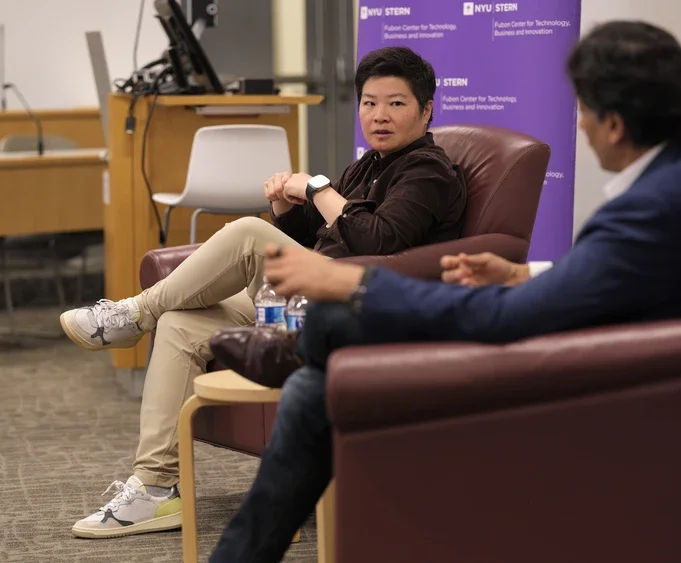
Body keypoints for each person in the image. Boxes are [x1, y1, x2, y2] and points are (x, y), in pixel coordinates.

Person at [206, 20, 681, 562]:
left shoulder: (653, 208)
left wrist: (355, 282)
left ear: (616, 123)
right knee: (312, 389)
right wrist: (519, 273)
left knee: (330, 332)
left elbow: (510, 321)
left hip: (571, 388)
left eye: (582, 109)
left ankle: (298, 349)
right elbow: (611, 283)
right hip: (596, 367)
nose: (578, 124)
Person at [61, 45, 467, 539]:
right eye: (369, 102)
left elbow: (377, 239)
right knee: (180, 324)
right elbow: (319, 233)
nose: (380, 115)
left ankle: (131, 315)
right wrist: (283, 209)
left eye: (397, 103)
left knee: (246, 235)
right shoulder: (370, 166)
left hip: (349, 304)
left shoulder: (428, 170)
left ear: (426, 111)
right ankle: (155, 490)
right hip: (297, 299)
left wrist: (316, 186)